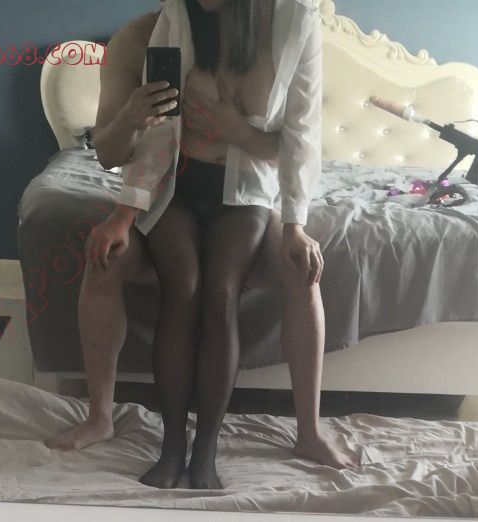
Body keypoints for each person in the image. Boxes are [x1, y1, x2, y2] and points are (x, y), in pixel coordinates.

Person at [44, 0, 358, 489]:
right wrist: (127, 196)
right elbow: (130, 145)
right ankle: (163, 443)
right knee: (182, 285)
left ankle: (229, 447)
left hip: (246, 192)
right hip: (171, 187)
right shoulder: (156, 29)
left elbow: (300, 134)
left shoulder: (292, 23)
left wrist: (294, 220)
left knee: (225, 289)